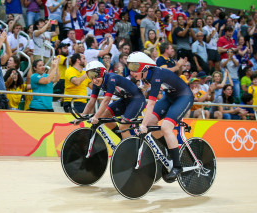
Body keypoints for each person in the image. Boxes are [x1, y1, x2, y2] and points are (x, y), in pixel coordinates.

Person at [127, 51, 194, 180]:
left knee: (166, 127)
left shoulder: (156, 74)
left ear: (145, 67)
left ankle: (177, 166)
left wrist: (143, 125)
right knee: (152, 122)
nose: (131, 72)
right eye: (130, 68)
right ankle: (169, 150)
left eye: (134, 68)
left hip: (184, 97)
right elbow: (149, 83)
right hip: (169, 96)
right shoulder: (146, 74)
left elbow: (151, 105)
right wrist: (145, 87)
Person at [79, 61, 146, 139]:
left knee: (123, 126)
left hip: (137, 100)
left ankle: (129, 147)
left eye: (96, 76)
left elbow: (106, 101)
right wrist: (82, 117)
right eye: (91, 77)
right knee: (104, 116)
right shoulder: (96, 83)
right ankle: (123, 138)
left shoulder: (111, 79)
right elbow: (92, 101)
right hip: (126, 100)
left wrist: (96, 116)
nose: (94, 80)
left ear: (103, 73)